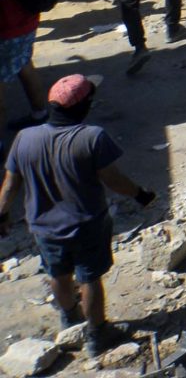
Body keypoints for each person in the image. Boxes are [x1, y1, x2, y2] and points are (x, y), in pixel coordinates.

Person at [0, 75, 154, 358]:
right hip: (86, 224)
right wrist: (140, 194)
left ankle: (69, 318)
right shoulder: (91, 137)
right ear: (84, 107)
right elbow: (113, 180)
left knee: (57, 272)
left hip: (43, 227)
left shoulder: (25, 138)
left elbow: (10, 185)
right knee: (90, 278)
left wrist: (1, 214)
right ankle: (97, 334)